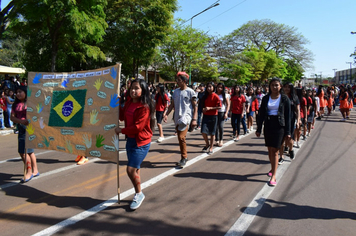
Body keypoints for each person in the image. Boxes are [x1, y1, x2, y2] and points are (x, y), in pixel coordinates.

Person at [115, 79, 154, 210]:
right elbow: (121, 117)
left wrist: (121, 130)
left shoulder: (144, 107)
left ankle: (139, 193)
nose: (133, 90)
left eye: (136, 88)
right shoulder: (129, 102)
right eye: (131, 88)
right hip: (130, 140)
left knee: (130, 169)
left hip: (141, 142)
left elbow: (138, 127)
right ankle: (139, 191)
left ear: (143, 90)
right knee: (135, 169)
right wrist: (118, 104)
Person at [256, 78, 291, 187]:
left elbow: (288, 116)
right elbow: (261, 114)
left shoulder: (284, 99)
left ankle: (274, 176)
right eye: (272, 85)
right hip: (268, 125)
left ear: (280, 86)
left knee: (275, 150)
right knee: (270, 149)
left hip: (279, 125)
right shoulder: (266, 98)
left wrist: (288, 132)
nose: (274, 87)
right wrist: (258, 128)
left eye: (277, 85)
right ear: (269, 87)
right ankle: (272, 167)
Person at [163, 72, 197, 167]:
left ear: (184, 81)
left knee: (181, 137)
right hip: (177, 117)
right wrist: (166, 114)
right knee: (180, 138)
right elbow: (172, 105)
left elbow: (195, 107)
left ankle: (184, 157)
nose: (177, 82)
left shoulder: (191, 92)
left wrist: (194, 119)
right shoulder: (176, 92)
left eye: (179, 80)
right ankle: (184, 155)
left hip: (186, 117)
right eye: (177, 80)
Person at [10, 86, 39, 183]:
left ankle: (30, 171)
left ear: (26, 92)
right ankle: (33, 170)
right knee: (24, 151)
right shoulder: (15, 105)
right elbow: (12, 118)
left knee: (26, 151)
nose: (18, 94)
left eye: (20, 92)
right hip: (21, 129)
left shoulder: (30, 103)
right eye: (16, 92)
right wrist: (21, 121)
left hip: (30, 129)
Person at [279, 83, 300, 164]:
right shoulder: (280, 97)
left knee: (290, 139)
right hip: (281, 120)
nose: (287, 89)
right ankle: (281, 156)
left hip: (291, 120)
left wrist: (298, 120)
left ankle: (290, 150)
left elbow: (297, 110)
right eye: (285, 87)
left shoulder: (294, 98)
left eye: (289, 87)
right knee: (281, 139)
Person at [200, 82, 221, 154]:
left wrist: (210, 108)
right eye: (208, 87)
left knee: (212, 133)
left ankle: (211, 147)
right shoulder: (205, 96)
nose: (209, 88)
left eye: (210, 87)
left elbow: (219, 107)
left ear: (213, 88)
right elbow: (201, 105)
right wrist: (203, 109)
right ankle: (207, 144)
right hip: (206, 115)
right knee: (203, 131)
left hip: (213, 116)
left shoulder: (216, 96)